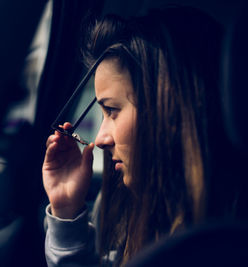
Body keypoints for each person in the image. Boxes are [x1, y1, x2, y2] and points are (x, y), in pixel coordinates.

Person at [42, 6, 231, 266]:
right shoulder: (118, 206)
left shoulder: (232, 230)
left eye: (112, 110)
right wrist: (66, 209)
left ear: (170, 107)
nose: (100, 139)